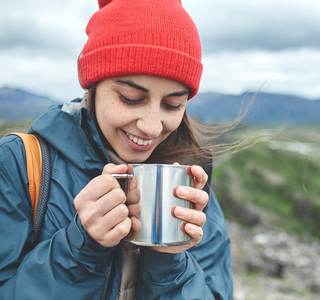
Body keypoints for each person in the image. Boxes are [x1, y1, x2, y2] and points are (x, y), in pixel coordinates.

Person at [0, 0, 233, 299]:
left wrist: (169, 261)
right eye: (130, 98)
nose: (151, 127)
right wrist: (79, 248)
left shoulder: (189, 186)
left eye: (173, 104)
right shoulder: (17, 167)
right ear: (93, 85)